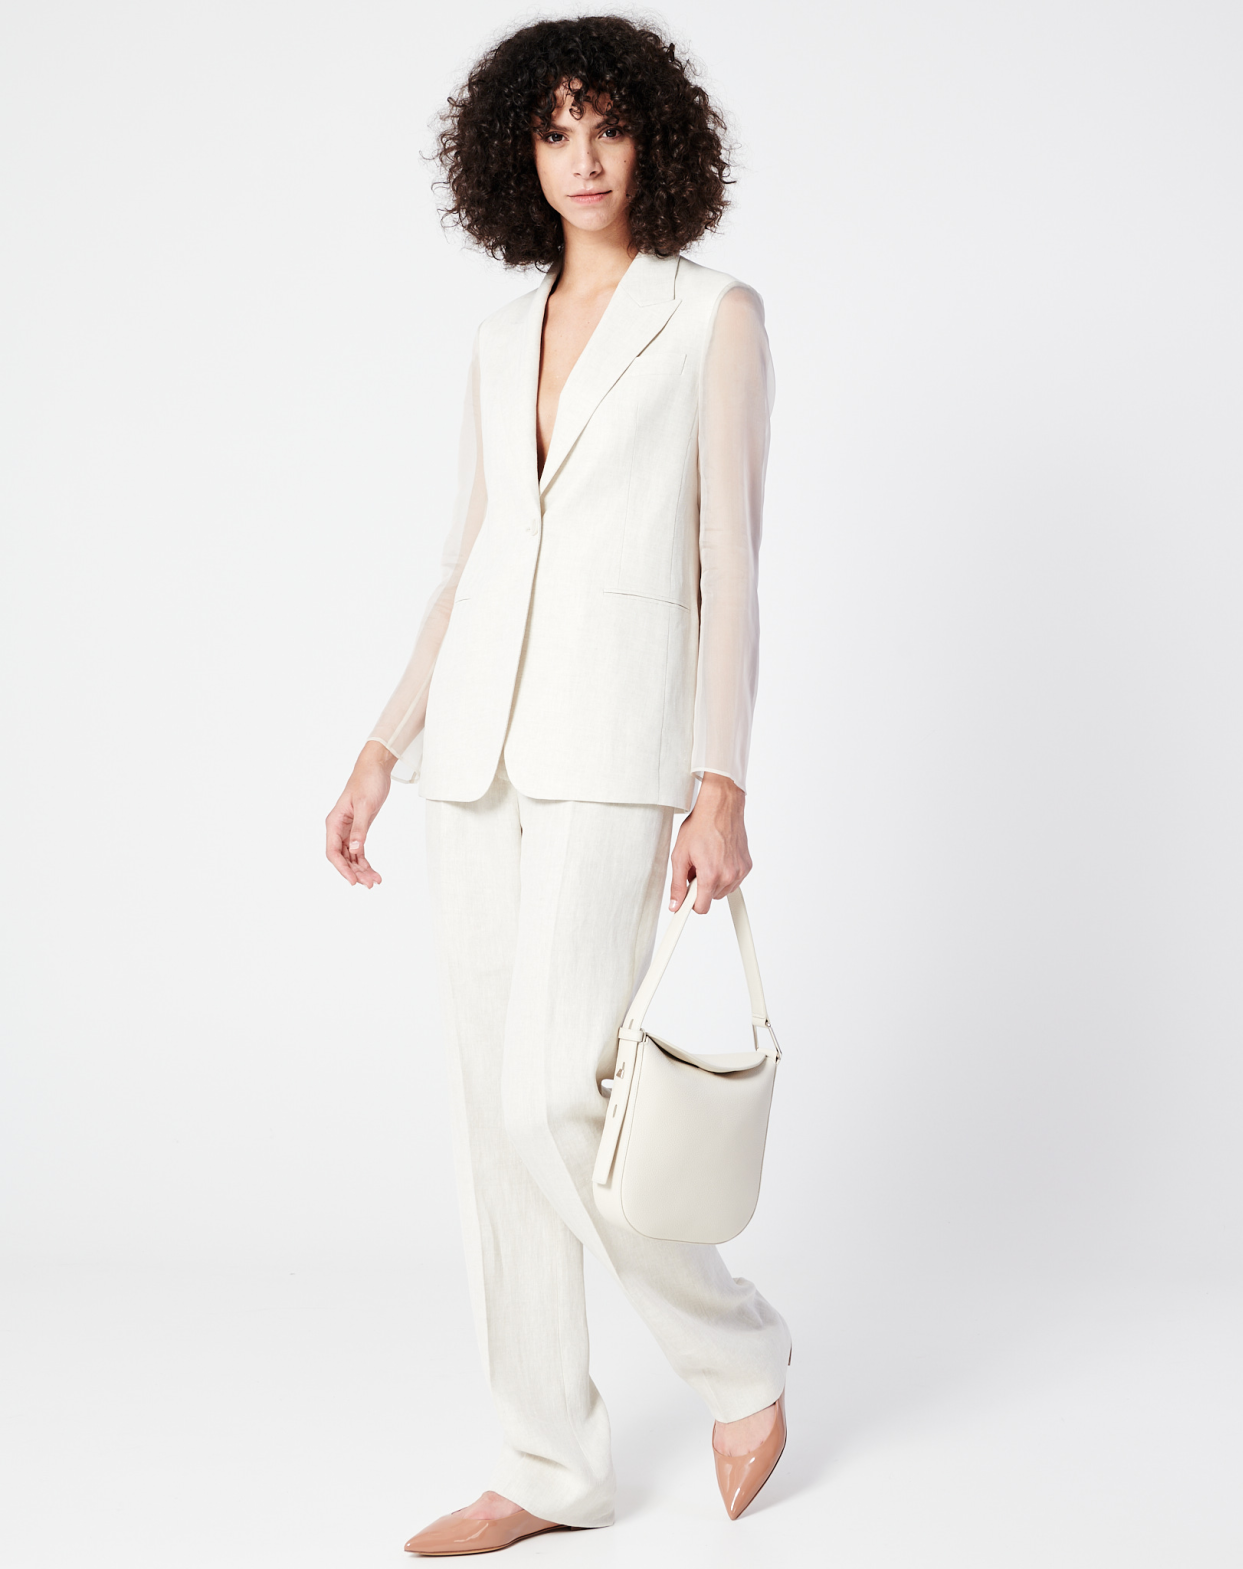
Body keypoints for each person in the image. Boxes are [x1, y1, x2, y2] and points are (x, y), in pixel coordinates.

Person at [325, 16, 790, 1556]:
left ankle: (737, 1353)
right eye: (554, 131)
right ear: (514, 153)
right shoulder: (494, 335)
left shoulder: (711, 316)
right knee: (490, 1118)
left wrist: (718, 781)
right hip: (473, 751)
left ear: (655, 140)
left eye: (608, 126)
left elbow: (729, 565)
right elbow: (466, 560)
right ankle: (545, 1465)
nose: (583, 159)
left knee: (552, 1092)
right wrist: (382, 746)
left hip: (616, 744)